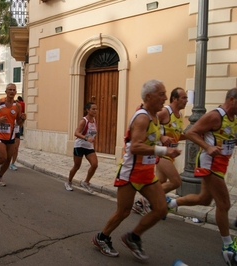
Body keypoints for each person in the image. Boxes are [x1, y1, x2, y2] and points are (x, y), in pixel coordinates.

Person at [92, 79, 180, 261]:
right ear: (149, 96)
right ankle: (102, 238)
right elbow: (135, 146)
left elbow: (148, 135)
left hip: (146, 173)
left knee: (161, 209)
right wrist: (164, 150)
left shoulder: (153, 115)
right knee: (123, 211)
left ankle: (133, 237)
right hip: (131, 173)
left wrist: (162, 138)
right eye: (161, 94)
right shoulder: (142, 117)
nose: (165, 97)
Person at [167, 88, 237, 265]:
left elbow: (227, 138)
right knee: (224, 203)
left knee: (204, 199)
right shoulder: (215, 115)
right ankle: (227, 246)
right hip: (209, 164)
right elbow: (191, 132)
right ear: (233, 100)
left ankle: (171, 203)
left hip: (220, 165)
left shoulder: (234, 119)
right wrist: (207, 147)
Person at [132, 87, 188, 215]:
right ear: (175, 99)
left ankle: (140, 203)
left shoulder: (180, 116)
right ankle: (147, 200)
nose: (186, 100)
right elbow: (149, 122)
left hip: (169, 153)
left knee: (160, 182)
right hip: (161, 153)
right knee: (175, 182)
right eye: (183, 98)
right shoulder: (164, 112)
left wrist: (194, 135)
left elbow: (178, 135)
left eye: (186, 98)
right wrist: (162, 137)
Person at [0, 83, 26, 187]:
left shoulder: (17, 106)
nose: (12, 92)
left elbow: (18, 122)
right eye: (10, 90)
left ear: (15, 92)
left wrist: (22, 118)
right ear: (6, 91)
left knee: (9, 158)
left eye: (14, 90)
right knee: (3, 157)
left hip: (11, 135)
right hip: (0, 134)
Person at [64, 102, 98, 194]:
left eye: (96, 109)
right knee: (77, 166)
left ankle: (86, 182)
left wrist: (92, 139)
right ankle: (68, 182)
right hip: (79, 146)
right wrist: (87, 138)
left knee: (94, 165)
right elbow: (76, 133)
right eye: (93, 109)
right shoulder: (84, 121)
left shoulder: (94, 120)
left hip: (89, 147)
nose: (95, 111)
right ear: (87, 110)